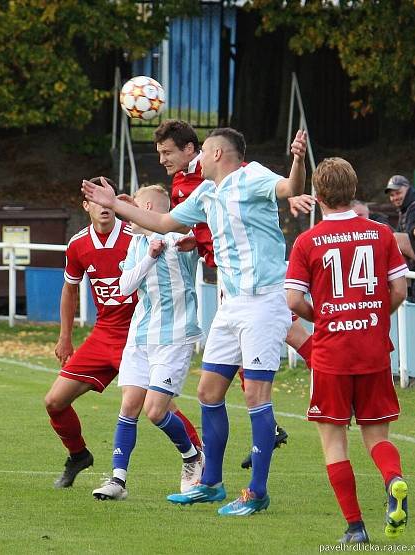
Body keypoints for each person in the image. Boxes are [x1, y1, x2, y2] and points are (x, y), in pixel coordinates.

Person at [83, 127, 307, 516]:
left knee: (255, 395)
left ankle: (257, 492)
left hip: (263, 301)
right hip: (230, 303)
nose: (196, 158)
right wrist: (115, 205)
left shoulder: (251, 176)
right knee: (208, 392)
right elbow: (165, 222)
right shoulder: (206, 193)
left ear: (218, 153)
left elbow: (289, 187)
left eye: (202, 151)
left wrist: (299, 160)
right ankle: (211, 484)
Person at [153, 119, 311, 470]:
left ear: (196, 151)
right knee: (213, 388)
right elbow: (185, 222)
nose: (162, 160)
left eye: (167, 152)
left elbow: (275, 188)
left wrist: (294, 175)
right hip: (229, 285)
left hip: (259, 288)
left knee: (285, 341)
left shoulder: (230, 175)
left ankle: (333, 387)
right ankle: (212, 480)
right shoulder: (192, 185)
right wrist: (197, 241)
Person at [45, 176, 202, 489]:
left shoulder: (135, 234)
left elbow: (177, 232)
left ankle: (198, 455)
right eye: (97, 202)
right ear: (87, 206)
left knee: (158, 406)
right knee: (54, 401)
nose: (104, 207)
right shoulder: (78, 244)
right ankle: (78, 455)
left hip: (140, 331)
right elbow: (70, 289)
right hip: (104, 333)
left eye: (110, 201)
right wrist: (65, 336)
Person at [285, 157, 409, 543]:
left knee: (333, 441)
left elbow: (292, 301)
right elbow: (400, 290)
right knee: (377, 437)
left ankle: (355, 527)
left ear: (318, 196)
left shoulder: (307, 241)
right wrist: (373, 315)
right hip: (372, 349)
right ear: (353, 191)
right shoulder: (381, 233)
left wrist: (324, 316)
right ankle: (394, 481)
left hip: (331, 354)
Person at [92, 185, 203, 501]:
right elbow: (125, 286)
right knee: (129, 406)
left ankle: (192, 457)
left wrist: (174, 245)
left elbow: (194, 238)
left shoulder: (178, 236)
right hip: (141, 336)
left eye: (135, 208)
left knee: (155, 411)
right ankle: (117, 479)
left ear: (150, 208)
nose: (127, 217)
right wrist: (150, 257)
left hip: (175, 337)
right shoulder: (137, 244)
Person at [385, 175, 415, 303]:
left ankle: (405, 288)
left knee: (395, 239)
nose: (395, 198)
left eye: (398, 193)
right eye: (392, 195)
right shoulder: (405, 207)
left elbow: (409, 234)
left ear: (407, 189)